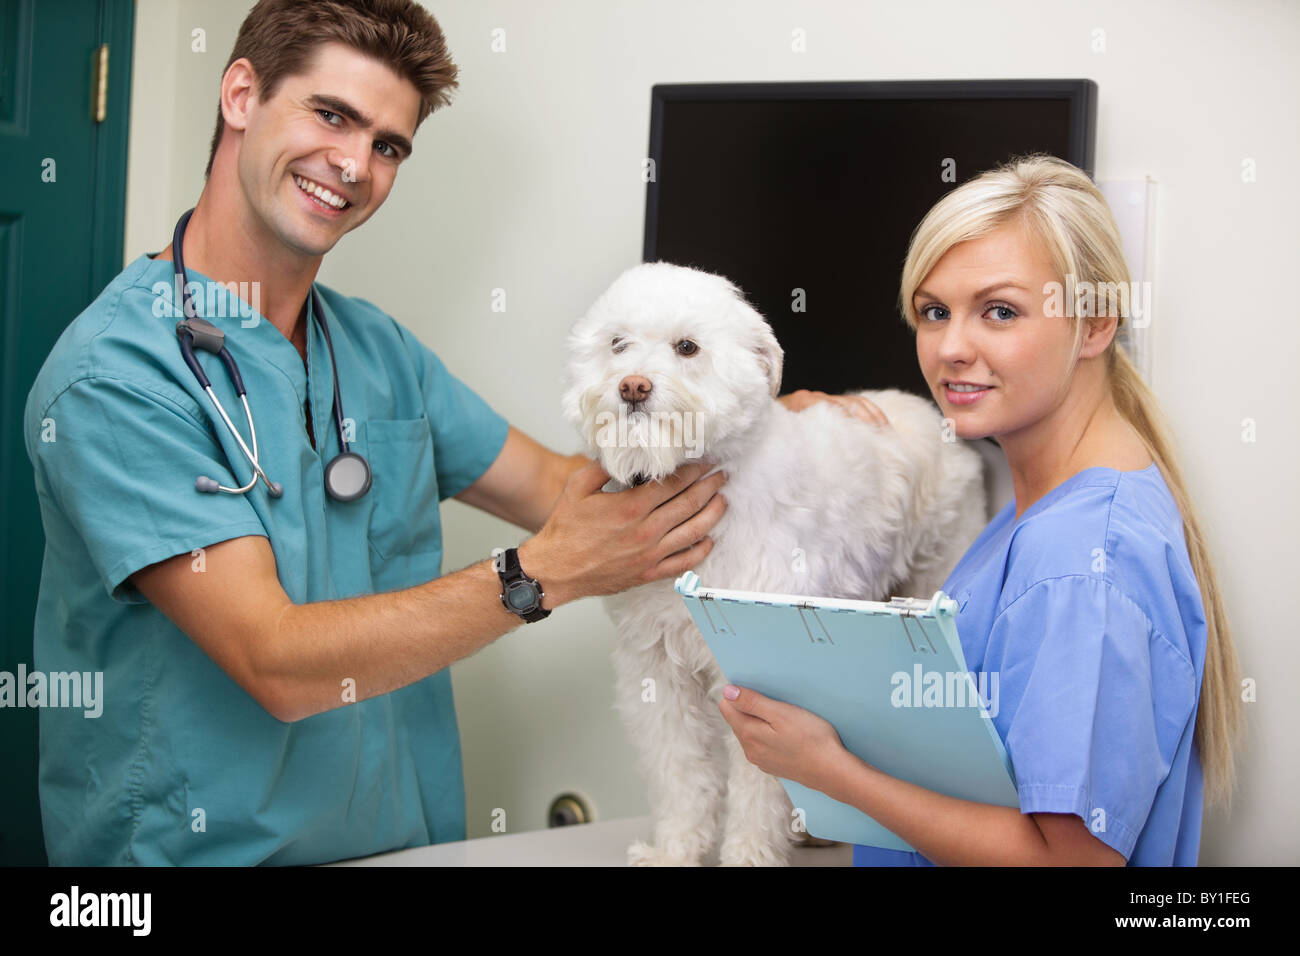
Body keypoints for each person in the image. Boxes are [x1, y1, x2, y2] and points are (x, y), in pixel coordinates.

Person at [20, 0, 881, 867]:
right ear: (241, 94)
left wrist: (754, 433)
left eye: (388, 145)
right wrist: (536, 577)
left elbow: (572, 496)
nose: (354, 164)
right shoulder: (117, 380)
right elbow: (272, 660)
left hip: (403, 846)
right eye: (331, 115)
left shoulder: (375, 349)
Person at [719, 154, 1243, 866]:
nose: (951, 348)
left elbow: (1070, 863)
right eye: (934, 312)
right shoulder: (1052, 511)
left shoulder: (1083, 562)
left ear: (1093, 327)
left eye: (999, 311)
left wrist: (831, 773)